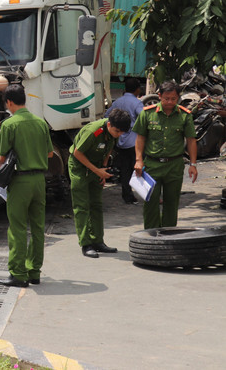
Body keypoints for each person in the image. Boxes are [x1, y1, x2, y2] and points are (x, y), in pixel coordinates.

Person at [0, 84, 53, 287]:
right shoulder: (41, 123)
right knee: (37, 227)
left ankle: (18, 274)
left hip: (20, 182)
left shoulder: (9, 125)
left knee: (18, 228)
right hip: (39, 181)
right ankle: (34, 271)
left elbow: (1, 158)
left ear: (9, 102)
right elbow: (50, 154)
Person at [133, 80, 198, 229]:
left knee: (171, 203)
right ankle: (150, 237)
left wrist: (193, 164)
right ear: (159, 96)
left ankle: (168, 236)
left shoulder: (184, 115)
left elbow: (191, 140)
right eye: (166, 98)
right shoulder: (147, 113)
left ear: (178, 98)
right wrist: (138, 160)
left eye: (173, 99)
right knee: (150, 203)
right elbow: (140, 138)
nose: (169, 102)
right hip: (151, 165)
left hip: (174, 166)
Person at [69, 109, 133, 258]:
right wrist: (98, 171)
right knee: (82, 206)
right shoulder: (94, 131)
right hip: (79, 167)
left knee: (96, 205)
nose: (118, 134)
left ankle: (98, 241)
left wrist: (104, 168)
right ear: (109, 124)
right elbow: (78, 153)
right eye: (116, 131)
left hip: (97, 166)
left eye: (121, 132)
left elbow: (110, 147)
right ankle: (86, 244)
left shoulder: (114, 132)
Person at [105, 77, 144, 203]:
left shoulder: (118, 102)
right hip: (134, 142)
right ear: (137, 89)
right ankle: (145, 193)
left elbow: (107, 116)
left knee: (125, 171)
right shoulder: (137, 103)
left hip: (120, 141)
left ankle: (127, 196)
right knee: (139, 169)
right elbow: (144, 118)